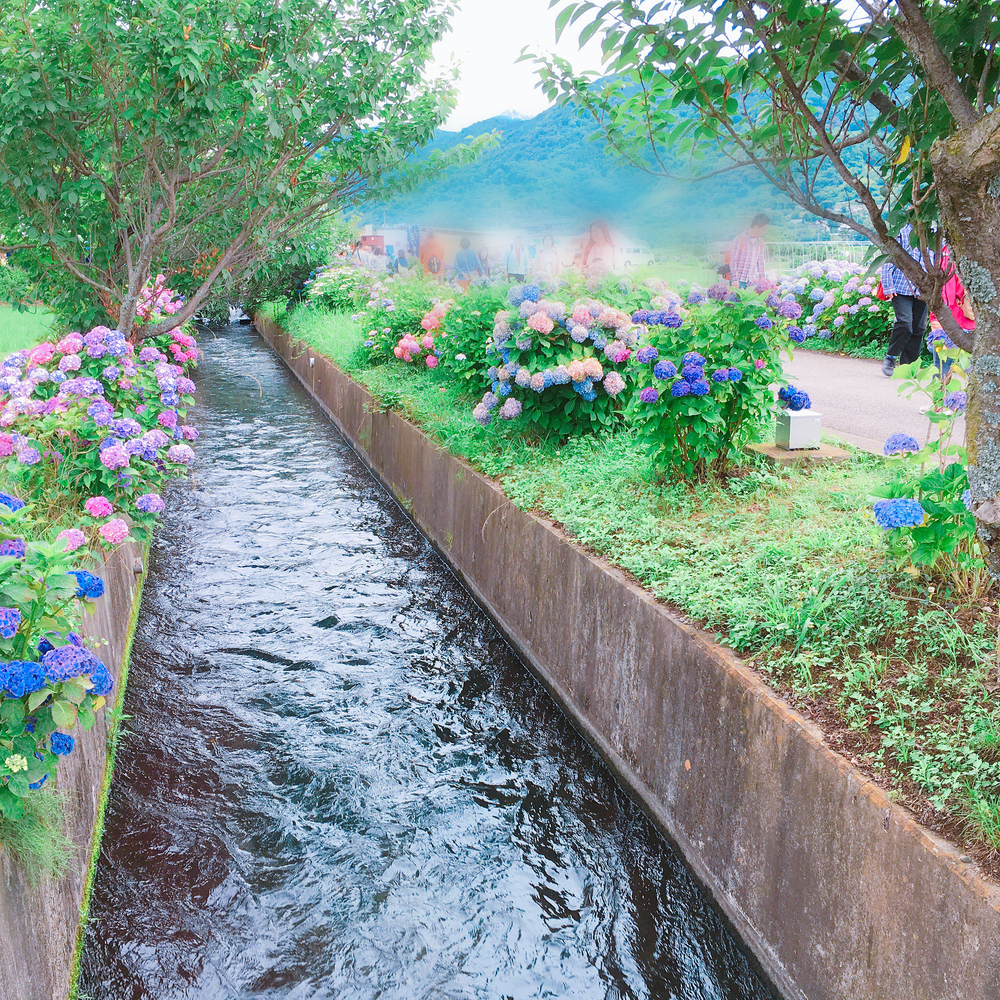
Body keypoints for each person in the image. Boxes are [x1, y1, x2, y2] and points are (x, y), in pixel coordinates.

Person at [880, 223, 930, 377]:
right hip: (901, 287)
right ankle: (890, 357)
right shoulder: (900, 230)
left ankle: (908, 365)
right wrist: (888, 285)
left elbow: (934, 258)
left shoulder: (931, 231)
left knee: (919, 328)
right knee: (905, 323)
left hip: (923, 288)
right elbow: (889, 257)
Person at [728, 214, 770, 288]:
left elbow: (760, 262)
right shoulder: (739, 239)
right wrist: (734, 280)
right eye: (763, 229)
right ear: (756, 227)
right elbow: (733, 261)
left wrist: (763, 280)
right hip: (739, 281)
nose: (764, 232)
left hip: (752, 281)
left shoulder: (760, 241)